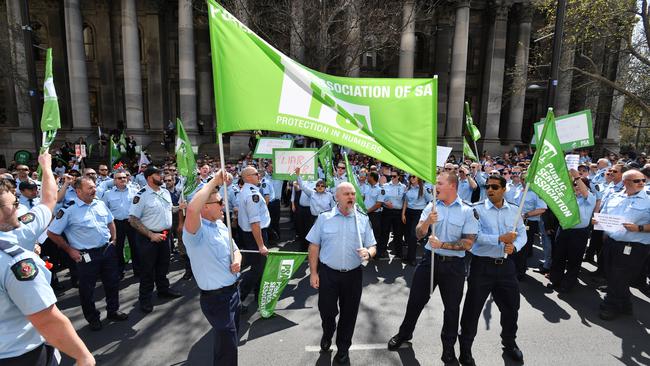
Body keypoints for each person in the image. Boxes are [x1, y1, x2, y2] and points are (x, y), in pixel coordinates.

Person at [0, 152, 95, 366]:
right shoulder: (14, 259)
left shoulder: (20, 229)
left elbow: (49, 199)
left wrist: (46, 166)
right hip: (20, 354)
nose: (18, 207)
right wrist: (83, 356)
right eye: (12, 204)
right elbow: (46, 318)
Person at [388, 171, 478, 365]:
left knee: (452, 310)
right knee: (415, 302)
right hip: (430, 261)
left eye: (439, 182)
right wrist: (428, 221)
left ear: (452, 186)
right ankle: (405, 334)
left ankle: (448, 349)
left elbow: (469, 242)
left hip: (454, 266)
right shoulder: (432, 205)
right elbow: (418, 234)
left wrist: (443, 245)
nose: (434, 185)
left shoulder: (466, 210)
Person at [458, 175, 527, 365]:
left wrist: (516, 247)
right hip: (482, 267)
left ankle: (509, 343)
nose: (490, 190)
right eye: (487, 186)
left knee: (511, 308)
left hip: (506, 267)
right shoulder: (477, 209)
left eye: (495, 187)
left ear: (504, 189)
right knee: (472, 310)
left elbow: (521, 234)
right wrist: (500, 239)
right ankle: (465, 349)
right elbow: (474, 236)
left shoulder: (514, 210)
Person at [307, 182, 376, 365]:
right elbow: (314, 246)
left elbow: (373, 245)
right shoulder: (324, 218)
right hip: (328, 273)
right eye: (346, 194)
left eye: (353, 194)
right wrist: (313, 273)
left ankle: (343, 348)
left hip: (353, 275)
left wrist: (369, 253)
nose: (351, 197)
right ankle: (328, 332)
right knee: (327, 310)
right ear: (337, 197)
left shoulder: (362, 219)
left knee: (349, 313)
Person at [48, 177, 128, 330]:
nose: (94, 190)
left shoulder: (100, 203)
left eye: (94, 187)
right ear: (78, 191)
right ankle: (93, 318)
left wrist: (115, 239)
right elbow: (52, 232)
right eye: (90, 188)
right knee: (87, 289)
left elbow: (110, 221)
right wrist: (70, 250)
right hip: (86, 255)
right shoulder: (68, 210)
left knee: (112, 282)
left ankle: (113, 310)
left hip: (107, 250)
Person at [183, 169, 242, 366]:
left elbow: (236, 250)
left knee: (228, 342)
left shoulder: (221, 225)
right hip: (217, 299)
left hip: (234, 292)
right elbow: (191, 210)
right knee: (228, 347)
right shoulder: (195, 233)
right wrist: (214, 181)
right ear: (205, 208)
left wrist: (237, 260)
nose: (223, 205)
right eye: (219, 202)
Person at [596, 169, 650, 320]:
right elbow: (605, 216)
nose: (641, 183)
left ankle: (611, 306)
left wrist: (638, 228)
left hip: (634, 247)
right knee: (612, 274)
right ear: (626, 183)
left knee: (619, 276)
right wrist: (599, 222)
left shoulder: (648, 200)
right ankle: (625, 304)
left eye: (643, 180)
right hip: (612, 243)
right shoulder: (614, 197)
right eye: (637, 181)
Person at [129, 166, 181, 314]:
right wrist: (151, 235)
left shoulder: (164, 191)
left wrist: (179, 207)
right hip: (148, 238)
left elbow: (169, 209)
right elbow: (132, 219)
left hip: (165, 235)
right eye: (158, 174)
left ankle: (163, 290)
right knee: (147, 270)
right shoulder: (141, 195)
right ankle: (144, 299)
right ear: (149, 177)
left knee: (163, 265)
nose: (162, 176)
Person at [548, 174, 596, 293]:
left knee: (574, 259)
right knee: (559, 256)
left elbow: (584, 192)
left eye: (580, 185)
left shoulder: (590, 198)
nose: (577, 187)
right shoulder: (567, 197)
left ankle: (568, 283)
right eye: (575, 185)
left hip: (579, 233)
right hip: (564, 230)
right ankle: (555, 280)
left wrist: (577, 177)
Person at [237, 166, 271, 306]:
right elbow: (255, 222)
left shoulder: (248, 191)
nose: (259, 175)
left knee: (260, 267)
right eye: (256, 174)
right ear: (248, 177)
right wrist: (261, 245)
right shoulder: (252, 195)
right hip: (255, 234)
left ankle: (258, 295)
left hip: (252, 234)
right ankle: (238, 297)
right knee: (257, 269)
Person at [101, 170, 140, 278]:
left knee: (135, 246)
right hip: (116, 223)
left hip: (131, 222)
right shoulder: (108, 194)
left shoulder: (134, 191)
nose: (123, 179)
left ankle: (138, 270)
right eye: (119, 178)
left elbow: (140, 206)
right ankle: (119, 270)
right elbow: (104, 209)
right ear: (114, 181)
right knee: (117, 247)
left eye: (124, 177)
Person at [401, 176, 433, 266]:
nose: (412, 178)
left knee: (413, 236)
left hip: (418, 213)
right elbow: (405, 202)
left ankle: (412, 258)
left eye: (414, 177)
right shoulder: (408, 188)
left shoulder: (424, 189)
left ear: (418, 178)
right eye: (410, 177)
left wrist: (426, 216)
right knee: (407, 235)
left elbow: (430, 202)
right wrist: (403, 214)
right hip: (408, 212)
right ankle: (408, 256)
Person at [377, 169, 406, 258]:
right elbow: (380, 199)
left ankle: (399, 252)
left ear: (398, 176)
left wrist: (403, 214)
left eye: (394, 176)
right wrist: (385, 203)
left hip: (398, 212)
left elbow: (405, 201)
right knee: (384, 232)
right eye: (391, 176)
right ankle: (381, 251)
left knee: (398, 233)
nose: (392, 178)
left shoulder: (403, 187)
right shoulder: (385, 186)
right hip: (387, 212)